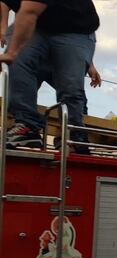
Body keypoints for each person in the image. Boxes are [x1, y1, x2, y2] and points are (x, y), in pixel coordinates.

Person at [0, 0, 99, 153]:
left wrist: (11, 53)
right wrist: (3, 28)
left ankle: (73, 133)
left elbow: (30, 11)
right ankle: (27, 126)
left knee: (70, 86)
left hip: (76, 28)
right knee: (20, 63)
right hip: (38, 24)